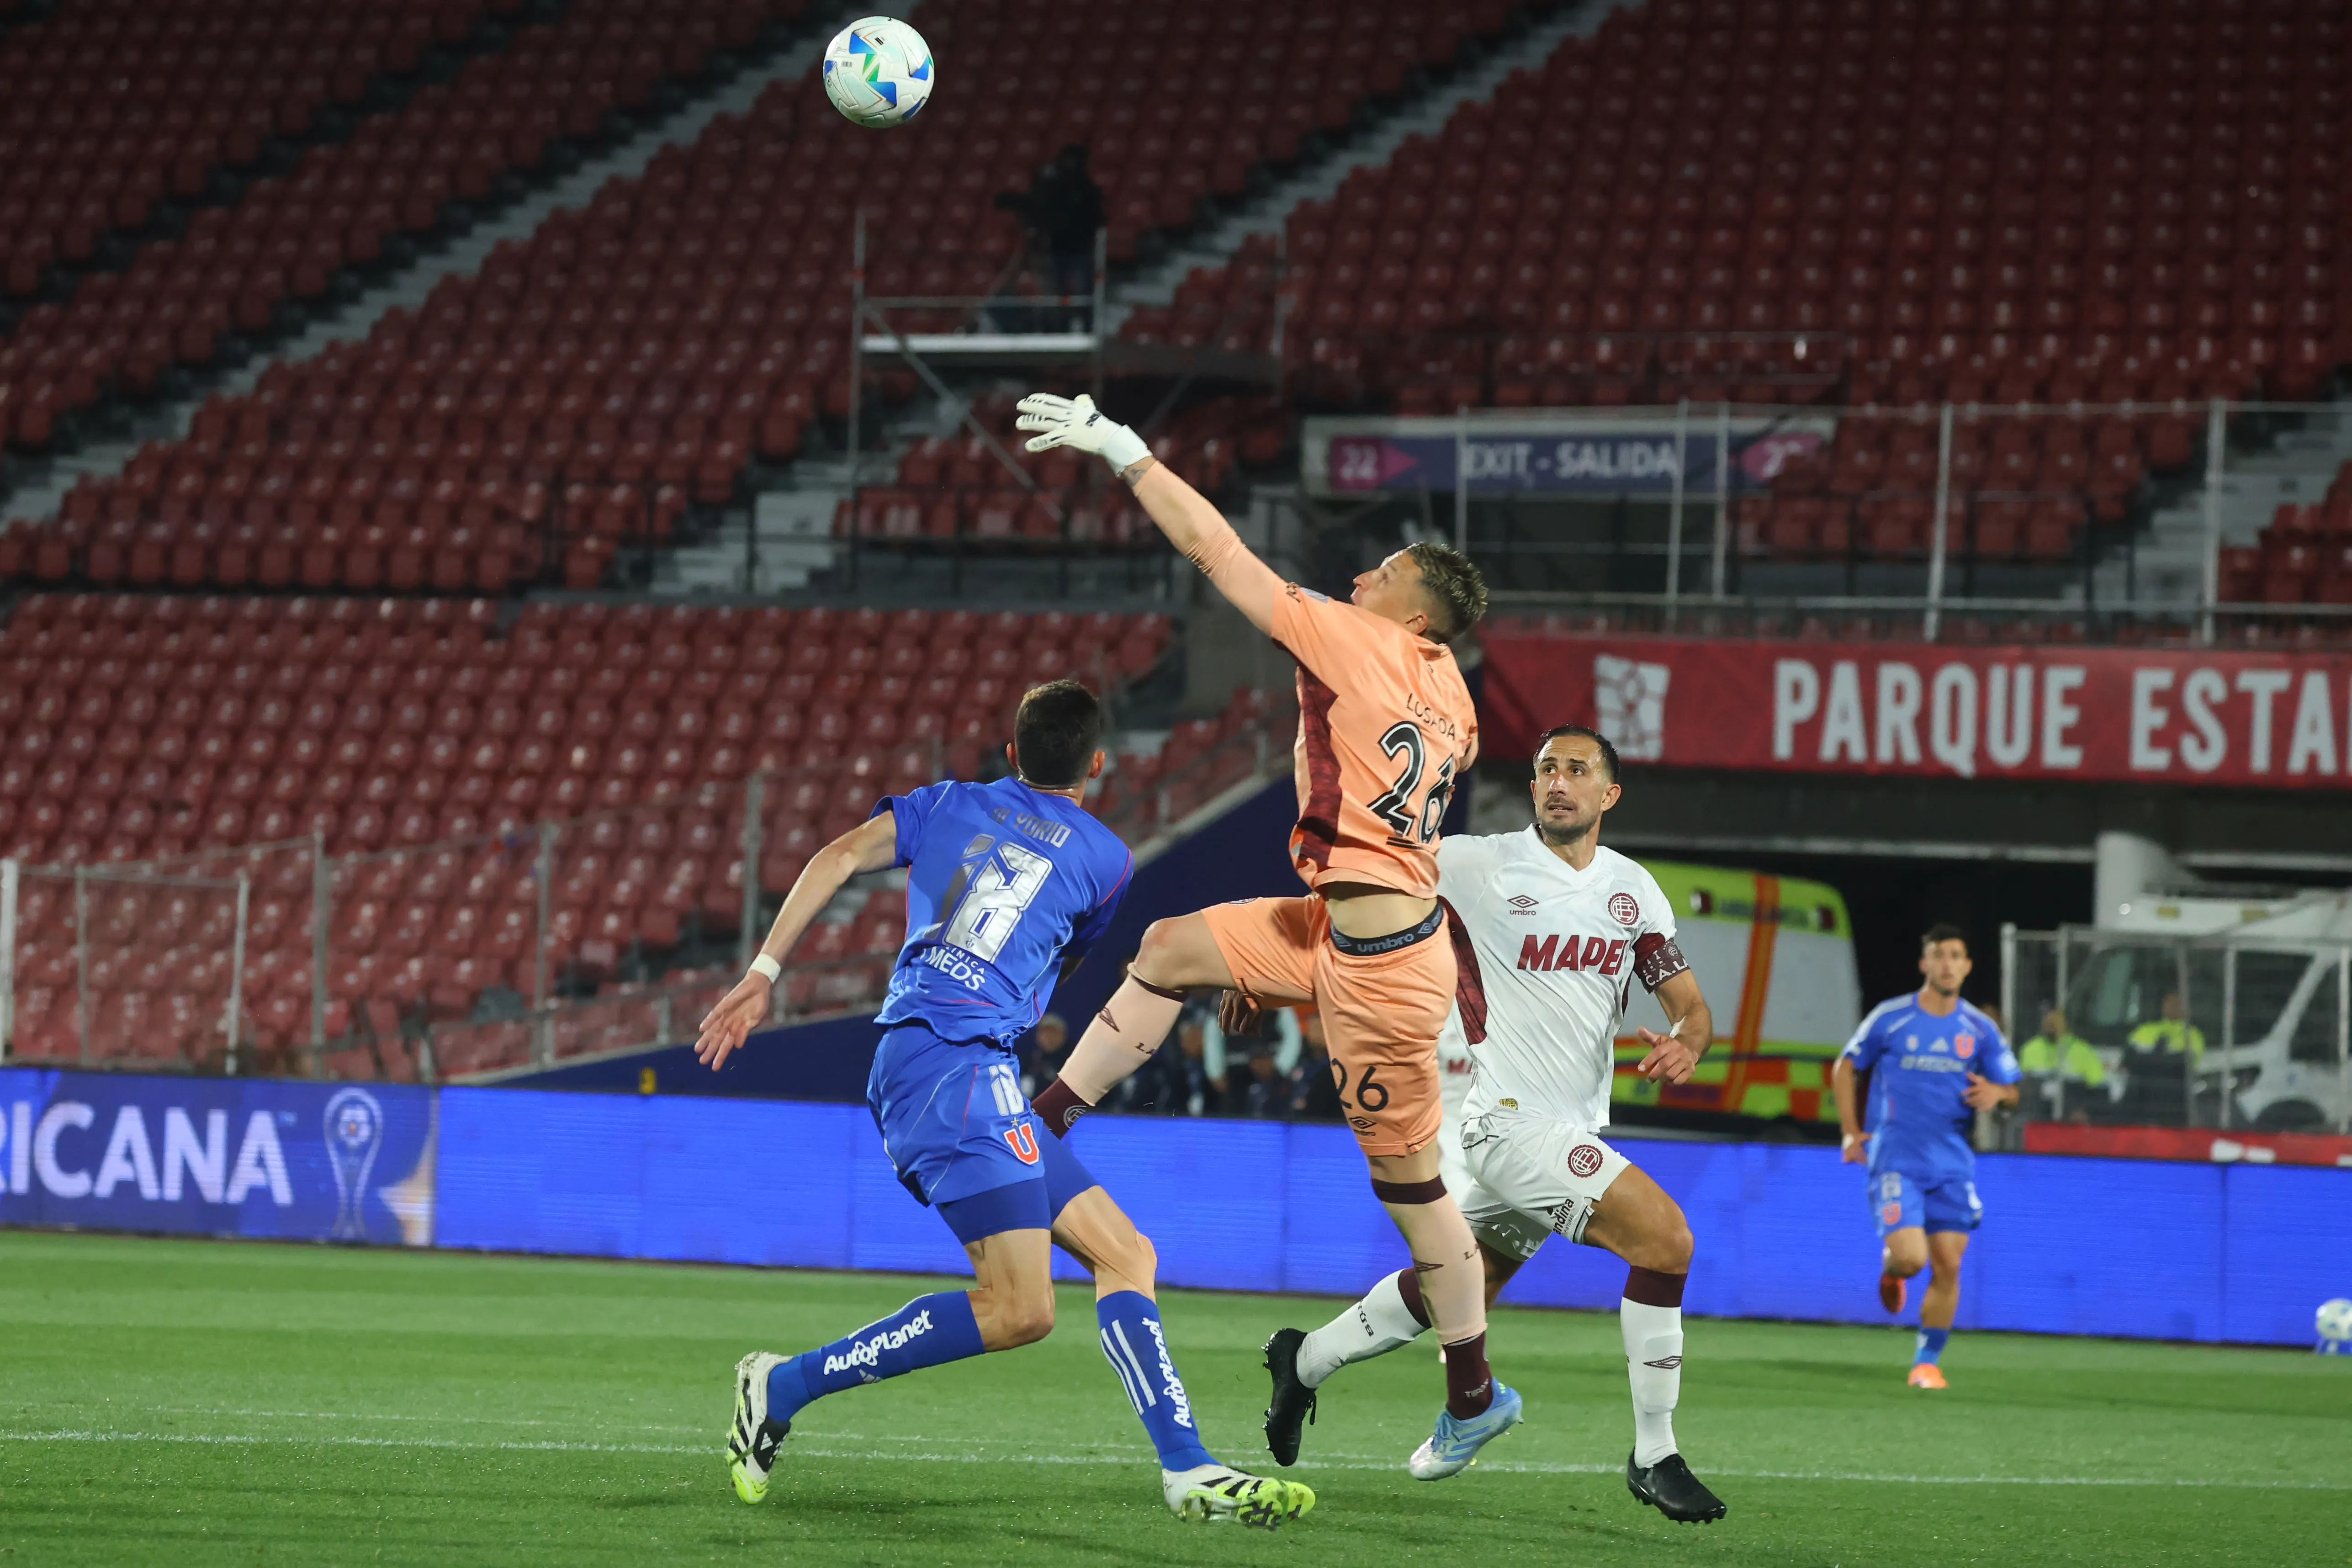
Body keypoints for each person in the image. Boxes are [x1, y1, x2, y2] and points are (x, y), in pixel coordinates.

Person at [1013, 390, 1516, 1481]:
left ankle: (1473, 1392)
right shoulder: (1455, 695)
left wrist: (1123, 449)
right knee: (1169, 949)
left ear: (1415, 616)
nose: (1362, 577)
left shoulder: (1365, 643)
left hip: (1382, 974)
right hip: (1336, 927)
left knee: (1412, 1191)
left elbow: (1214, 548)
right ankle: (1042, 1124)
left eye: (1385, 573)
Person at [693, 679, 1312, 1527]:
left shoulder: (945, 802)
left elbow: (835, 856)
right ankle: (784, 1383)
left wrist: (763, 975)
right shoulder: (1106, 859)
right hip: (955, 1069)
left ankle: (1187, 1467)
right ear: (1097, 763)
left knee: (1126, 1253)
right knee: (1020, 1309)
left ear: (1011, 751)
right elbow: (1063, 961)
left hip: (942, 1064)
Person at [1257, 726, 1728, 1525]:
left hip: (1571, 1129)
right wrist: (1257, 964)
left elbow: (1687, 1003)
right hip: (1508, 1125)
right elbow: (1363, 884)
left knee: (1456, 1286)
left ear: (1607, 795)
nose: (1557, 781)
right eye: (1546, 767)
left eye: (1577, 770)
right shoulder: (1477, 863)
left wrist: (1687, 1042)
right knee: (1666, 1240)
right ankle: (1655, 1453)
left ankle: (1300, 1360)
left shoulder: (1632, 890)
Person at [1833, 925, 2021, 1390]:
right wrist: (1851, 1132)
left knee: (1949, 1265)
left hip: (1953, 1165)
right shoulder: (1892, 1018)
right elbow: (1846, 1066)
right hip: (1896, 1159)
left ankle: (1926, 1362)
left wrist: (1998, 1092)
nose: (1948, 964)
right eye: (1939, 955)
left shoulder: (1979, 1028)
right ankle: (1893, 1269)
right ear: (1924, 964)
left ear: (1968, 966)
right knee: (1913, 1259)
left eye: (1957, 956)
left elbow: (2014, 1091)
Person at [995, 143, 1102, 327]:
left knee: (1084, 292)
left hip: (1080, 249)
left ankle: (1087, 325)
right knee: (1056, 293)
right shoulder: (1051, 188)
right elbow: (1038, 208)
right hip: (1056, 249)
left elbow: (1097, 218)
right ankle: (1059, 325)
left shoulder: (1085, 189)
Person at [2018, 1006, 2106, 1121]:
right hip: (2036, 1117)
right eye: (2047, 1017)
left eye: (2056, 1017)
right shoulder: (2030, 1049)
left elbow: (2097, 1089)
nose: (2050, 1021)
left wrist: (2084, 1110)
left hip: (2071, 1120)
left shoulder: (2084, 1051)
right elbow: (2022, 1088)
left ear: (2066, 1021)